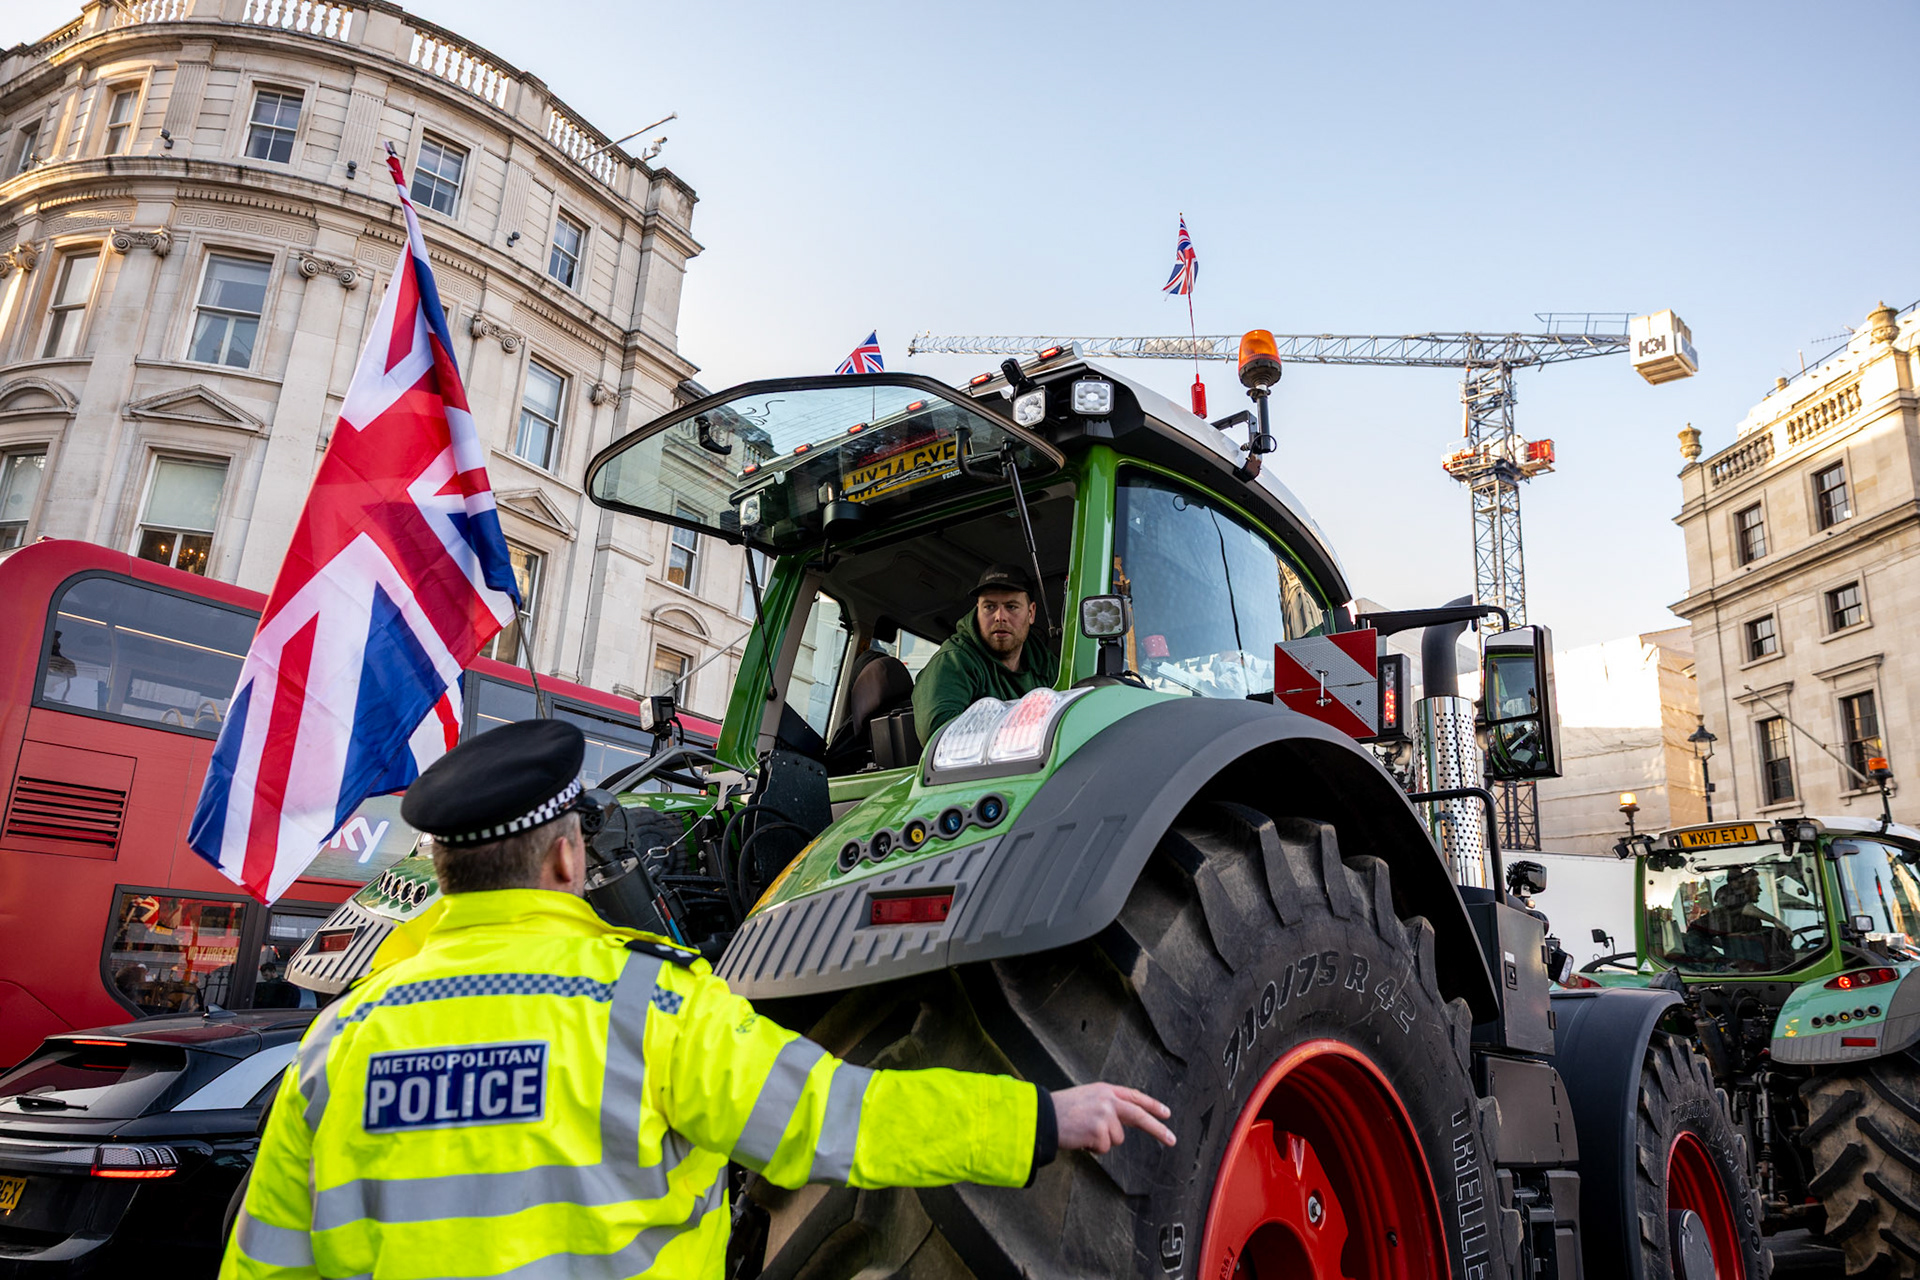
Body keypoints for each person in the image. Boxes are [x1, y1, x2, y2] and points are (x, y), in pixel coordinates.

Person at [222, 719, 1173, 1280]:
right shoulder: (652, 1008)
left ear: (440, 865)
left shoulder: (339, 1043)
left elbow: (265, 1260)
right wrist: (1043, 1120)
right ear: (566, 856)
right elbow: (850, 1120)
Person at [911, 563, 1060, 744]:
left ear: (1031, 613)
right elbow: (938, 734)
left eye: (1011, 607)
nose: (1000, 616)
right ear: (978, 610)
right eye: (989, 607)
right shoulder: (954, 661)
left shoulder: (1045, 664)